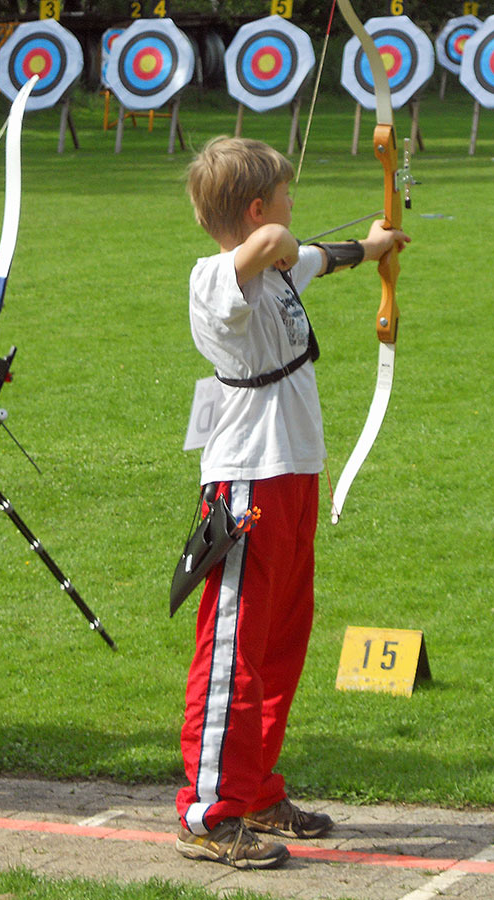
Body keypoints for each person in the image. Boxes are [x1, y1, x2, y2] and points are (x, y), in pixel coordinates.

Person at [174, 136, 409, 868]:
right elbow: (274, 245)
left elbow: (314, 255)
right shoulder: (215, 279)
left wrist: (373, 247)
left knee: (281, 642)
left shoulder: (273, 268)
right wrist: (274, 236)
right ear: (254, 211)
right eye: (283, 195)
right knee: (235, 649)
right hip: (247, 482)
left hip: (294, 474)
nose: (292, 208)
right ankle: (210, 811)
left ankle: (254, 791)